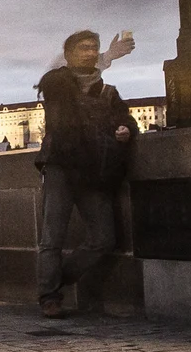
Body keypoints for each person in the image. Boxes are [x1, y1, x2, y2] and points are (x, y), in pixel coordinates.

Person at [35, 28, 137, 318]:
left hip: (94, 171)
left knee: (104, 237)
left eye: (94, 48)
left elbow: (125, 118)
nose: (90, 53)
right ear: (68, 55)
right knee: (52, 237)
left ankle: (56, 278)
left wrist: (125, 129)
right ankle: (49, 297)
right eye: (83, 48)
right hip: (61, 167)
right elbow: (66, 119)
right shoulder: (57, 83)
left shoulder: (108, 92)